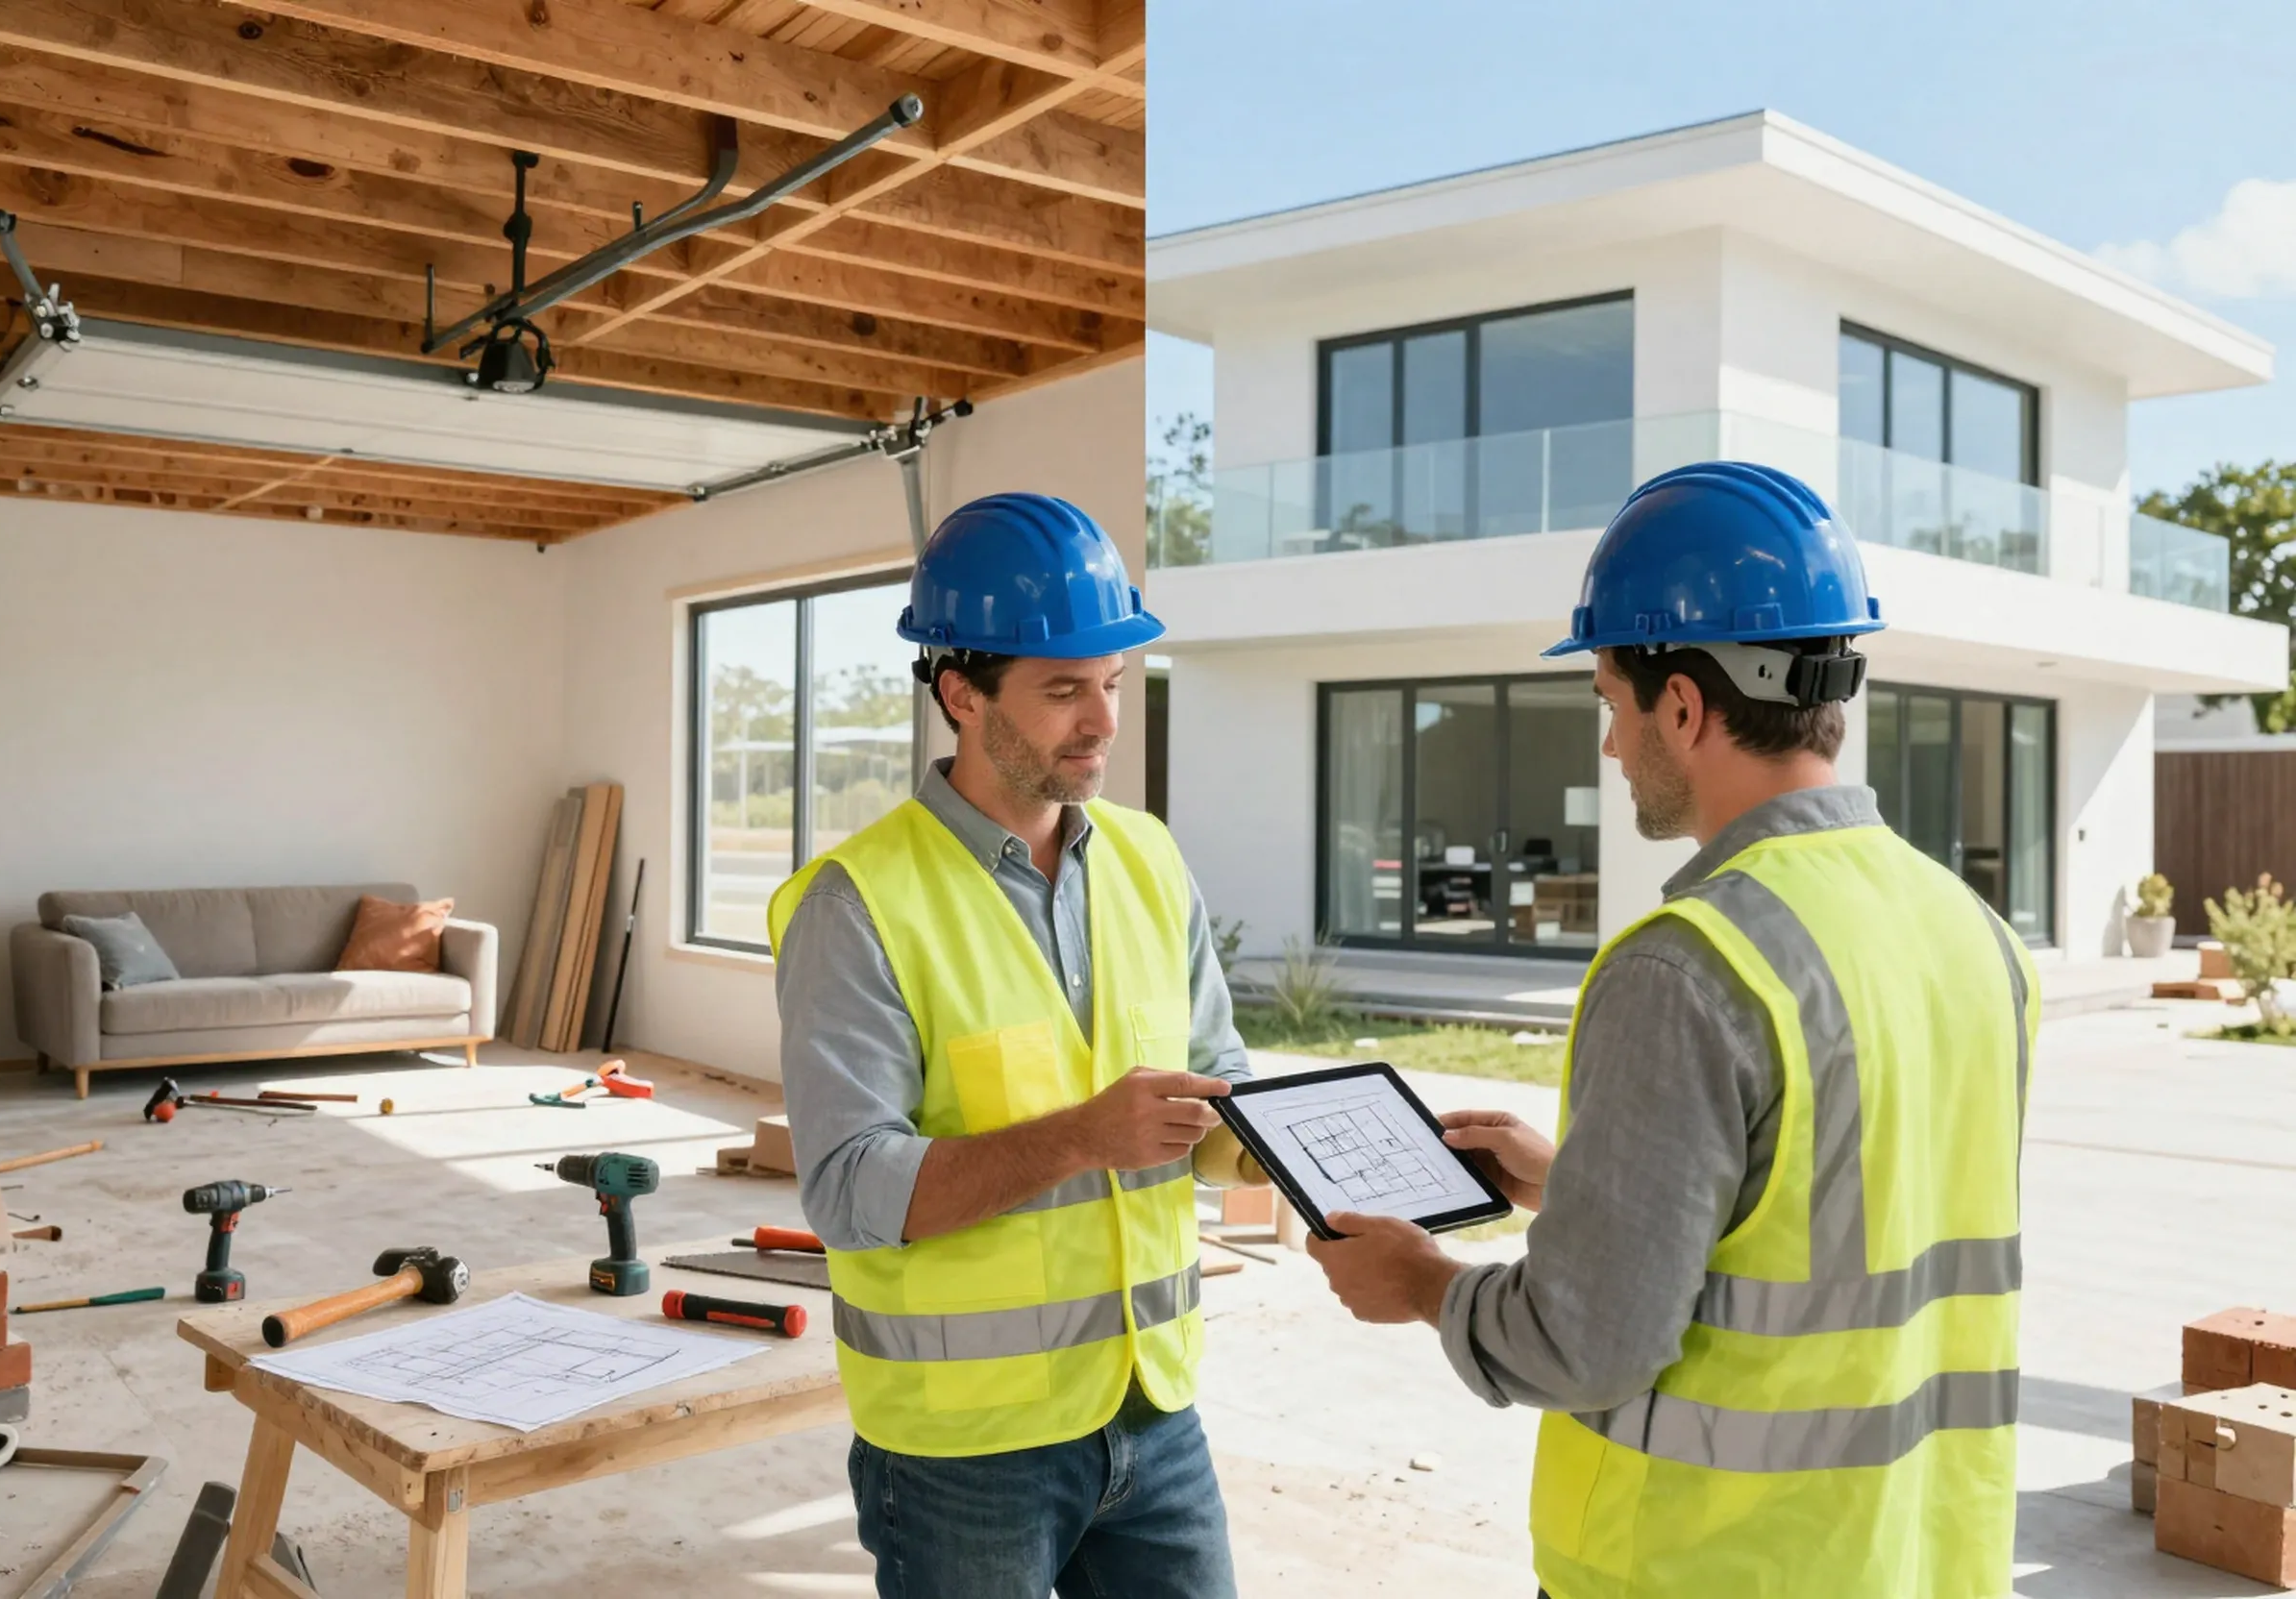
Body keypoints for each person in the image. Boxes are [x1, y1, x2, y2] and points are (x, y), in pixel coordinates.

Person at [1307, 462, 2037, 1599]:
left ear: (1683, 705)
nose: (1608, 745)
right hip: (1920, 1555)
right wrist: (1593, 1187)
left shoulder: (1689, 963)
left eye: (1609, 701)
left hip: (1711, 1563)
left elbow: (1585, 1341)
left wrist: (1426, 1282)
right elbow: (1848, 1211)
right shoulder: (1973, 929)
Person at [770, 491, 1263, 1599]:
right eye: (1061, 690)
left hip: (1156, 1410)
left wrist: (1297, 1150)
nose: (1101, 721)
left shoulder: (1147, 858)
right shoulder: (856, 903)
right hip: (964, 1450)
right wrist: (1086, 1135)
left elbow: (1216, 1082)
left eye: (1112, 684)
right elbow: (850, 1189)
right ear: (961, 692)